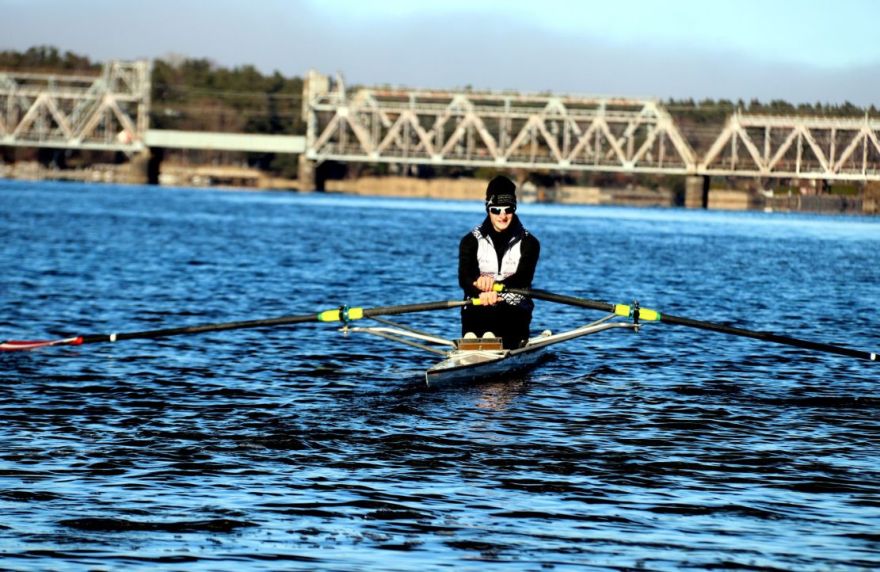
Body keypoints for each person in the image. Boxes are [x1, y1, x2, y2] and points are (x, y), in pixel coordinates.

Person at [458, 175, 540, 349]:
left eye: (508, 209)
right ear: (488, 208)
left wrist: (495, 288)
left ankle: (486, 341)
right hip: (478, 306)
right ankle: (474, 342)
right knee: (477, 311)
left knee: (501, 311)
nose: (502, 216)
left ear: (515, 208)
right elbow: (464, 279)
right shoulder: (470, 241)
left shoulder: (530, 243)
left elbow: (523, 278)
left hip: (515, 311)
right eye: (496, 210)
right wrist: (478, 289)